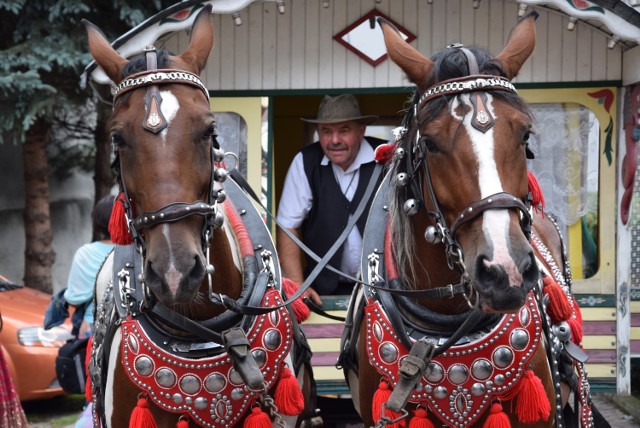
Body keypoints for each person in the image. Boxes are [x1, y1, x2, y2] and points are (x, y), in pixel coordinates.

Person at [276, 94, 385, 306]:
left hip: (385, 288)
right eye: (326, 131)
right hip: (323, 290)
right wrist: (298, 286)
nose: (334, 140)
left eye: (344, 130)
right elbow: (288, 226)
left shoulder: (386, 157)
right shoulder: (305, 162)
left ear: (361, 131)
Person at [64, 194, 115, 339]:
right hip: (133, 327)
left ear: (96, 222)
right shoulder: (137, 251)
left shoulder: (85, 253)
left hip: (94, 329)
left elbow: (74, 299)